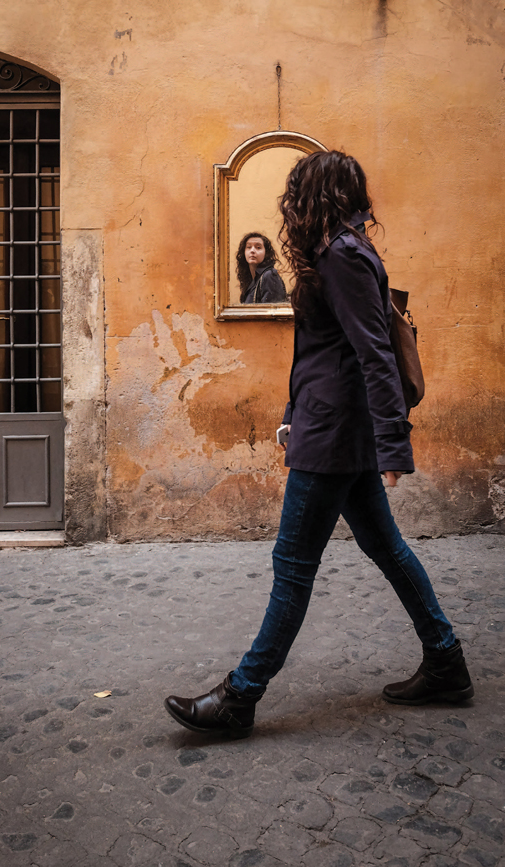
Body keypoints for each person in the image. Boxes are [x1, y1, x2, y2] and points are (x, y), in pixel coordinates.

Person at [164, 150, 473, 739]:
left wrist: (392, 446)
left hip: (335, 436)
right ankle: (445, 660)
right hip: (328, 424)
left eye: (297, 192)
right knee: (386, 548)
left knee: (293, 565)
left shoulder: (341, 257)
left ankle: (241, 696)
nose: (290, 204)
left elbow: (374, 353)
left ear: (316, 197)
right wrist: (291, 413)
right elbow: (322, 350)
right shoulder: (340, 252)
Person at [236, 231, 287, 304]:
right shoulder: (252, 280)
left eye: (258, 247)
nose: (252, 251)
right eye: (249, 247)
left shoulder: (269, 275)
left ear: (266, 253)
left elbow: (271, 313)